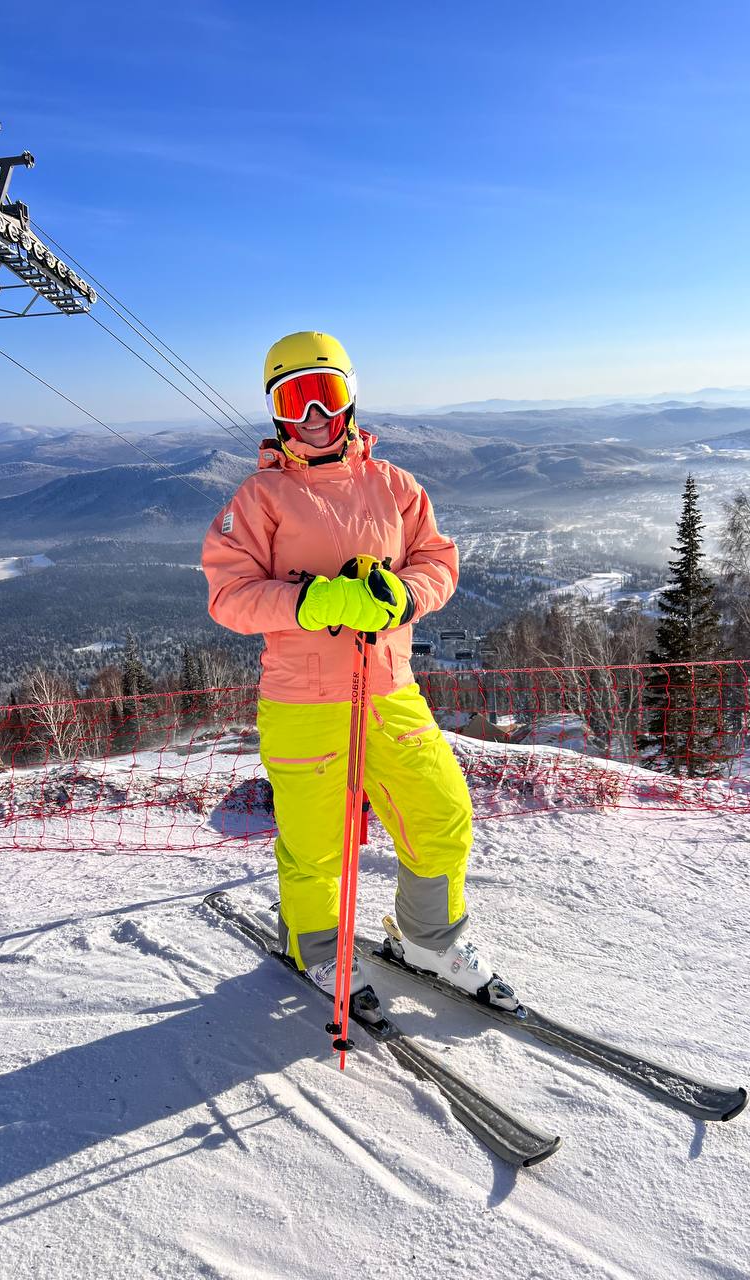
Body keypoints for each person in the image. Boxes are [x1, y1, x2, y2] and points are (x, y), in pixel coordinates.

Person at [201, 331, 517, 1022]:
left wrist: (406, 595)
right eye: (295, 398)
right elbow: (227, 595)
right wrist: (309, 602)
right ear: (277, 413)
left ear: (349, 400)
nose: (314, 414)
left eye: (327, 393)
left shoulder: (395, 486)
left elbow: (437, 559)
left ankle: (429, 942)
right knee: (317, 841)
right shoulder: (260, 497)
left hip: (390, 688)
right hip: (302, 699)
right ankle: (315, 946)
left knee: (440, 808)